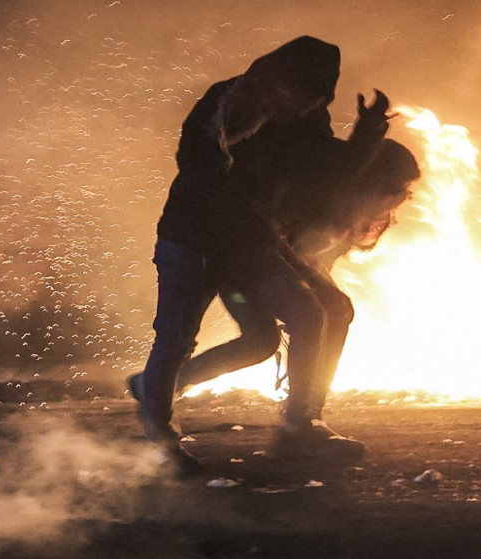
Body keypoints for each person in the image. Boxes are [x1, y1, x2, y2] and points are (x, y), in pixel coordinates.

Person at [132, 35, 386, 474]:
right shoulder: (228, 103)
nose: (307, 107)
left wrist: (365, 135)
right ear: (278, 81)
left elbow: (327, 169)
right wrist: (242, 202)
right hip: (194, 242)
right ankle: (162, 440)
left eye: (317, 99)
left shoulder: (302, 117)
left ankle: (301, 425)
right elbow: (199, 162)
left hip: (253, 244)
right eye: (302, 96)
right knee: (175, 339)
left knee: (313, 315)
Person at [179, 137, 421, 458]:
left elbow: (320, 255)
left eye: (405, 190)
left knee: (263, 341)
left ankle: (164, 383)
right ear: (370, 180)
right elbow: (279, 244)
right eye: (395, 188)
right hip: (245, 262)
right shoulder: (318, 195)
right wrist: (305, 294)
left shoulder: (365, 214)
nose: (401, 198)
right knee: (320, 315)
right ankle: (302, 420)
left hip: (273, 265)